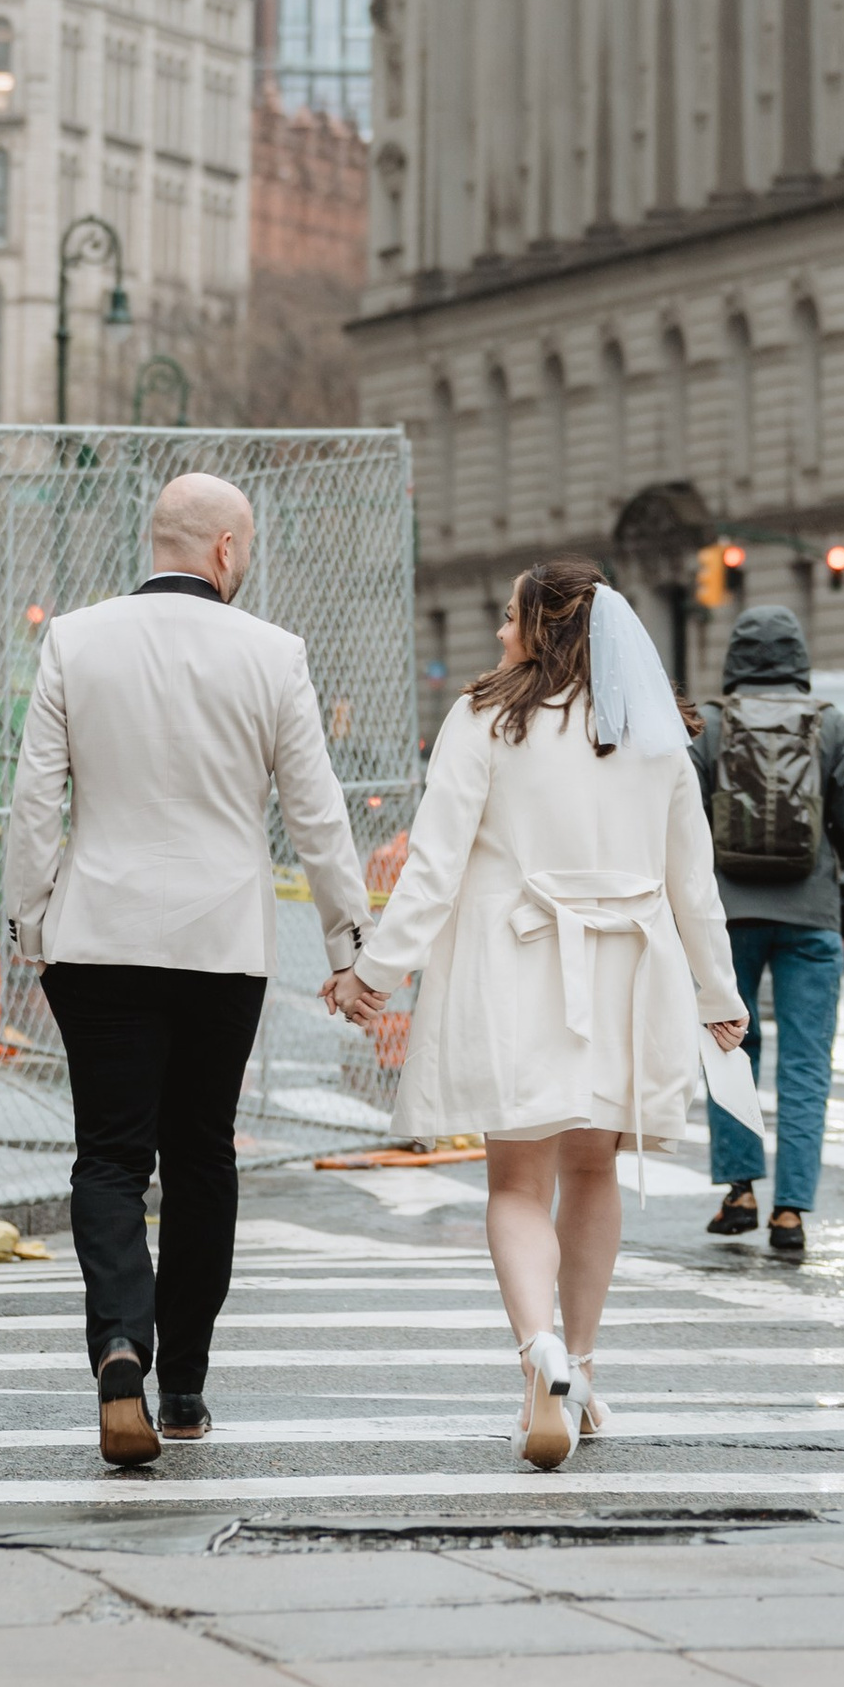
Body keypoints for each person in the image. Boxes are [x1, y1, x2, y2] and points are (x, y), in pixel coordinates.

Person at [329, 560, 746, 1469]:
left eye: (508, 615)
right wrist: (719, 996)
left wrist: (377, 972)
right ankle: (583, 1367)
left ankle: (536, 1356)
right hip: (630, 973)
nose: (497, 632)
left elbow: (434, 867)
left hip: (519, 969)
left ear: (543, 627)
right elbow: (692, 882)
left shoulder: (485, 718)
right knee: (593, 1170)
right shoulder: (655, 735)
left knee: (517, 1182)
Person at [4, 470, 370, 1472]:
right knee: (203, 1154)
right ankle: (188, 1383)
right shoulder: (272, 655)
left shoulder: (75, 640)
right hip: (220, 944)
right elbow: (316, 812)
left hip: (100, 933)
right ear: (222, 551)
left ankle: (120, 1342)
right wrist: (348, 946)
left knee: (110, 1157)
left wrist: (26, 921)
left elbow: (36, 799)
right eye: (242, 548)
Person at [691, 603, 844, 1261]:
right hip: (810, 916)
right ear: (799, 658)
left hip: (725, 918)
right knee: (806, 1064)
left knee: (729, 1049)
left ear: (735, 659)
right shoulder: (832, 726)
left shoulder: (710, 725)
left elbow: (681, 821)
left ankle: (740, 1190)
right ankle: (791, 1210)